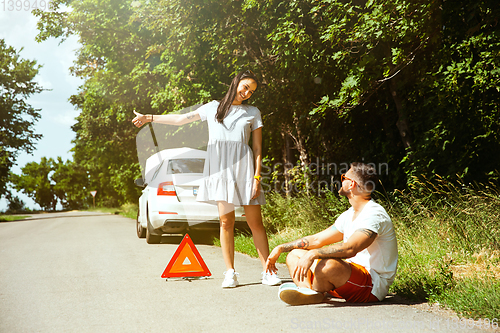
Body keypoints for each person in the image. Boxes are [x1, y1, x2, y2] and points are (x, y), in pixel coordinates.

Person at [132, 70, 282, 288]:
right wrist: (150, 118)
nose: (247, 93)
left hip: (245, 169)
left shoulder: (253, 112)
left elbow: (257, 148)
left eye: (252, 91)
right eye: (245, 87)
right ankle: (230, 272)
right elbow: (181, 119)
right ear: (236, 82)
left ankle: (268, 271)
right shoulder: (213, 107)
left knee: (255, 223)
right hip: (220, 170)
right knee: (225, 221)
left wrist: (257, 177)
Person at [265, 162, 398, 305]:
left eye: (343, 178)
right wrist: (281, 248)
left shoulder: (374, 215)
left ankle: (316, 290)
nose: (341, 181)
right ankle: (309, 292)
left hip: (371, 286)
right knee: (294, 255)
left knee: (327, 264)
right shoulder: (349, 214)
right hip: (347, 276)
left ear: (351, 184)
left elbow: (350, 249)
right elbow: (317, 239)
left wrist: (313, 254)